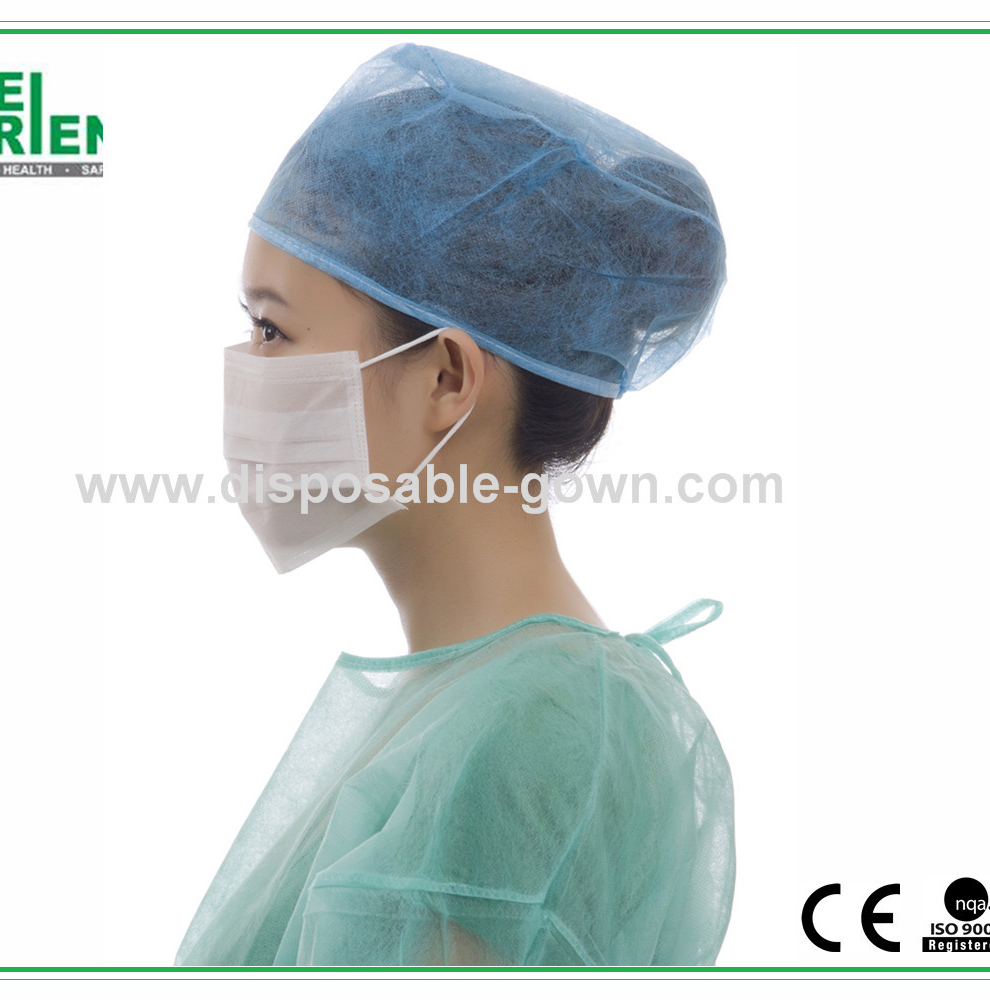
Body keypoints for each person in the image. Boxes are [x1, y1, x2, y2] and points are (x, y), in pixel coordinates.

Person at [175, 43, 734, 967]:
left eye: (272, 329)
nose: (246, 370)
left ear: (445, 377)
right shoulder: (478, 705)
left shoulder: (534, 730)